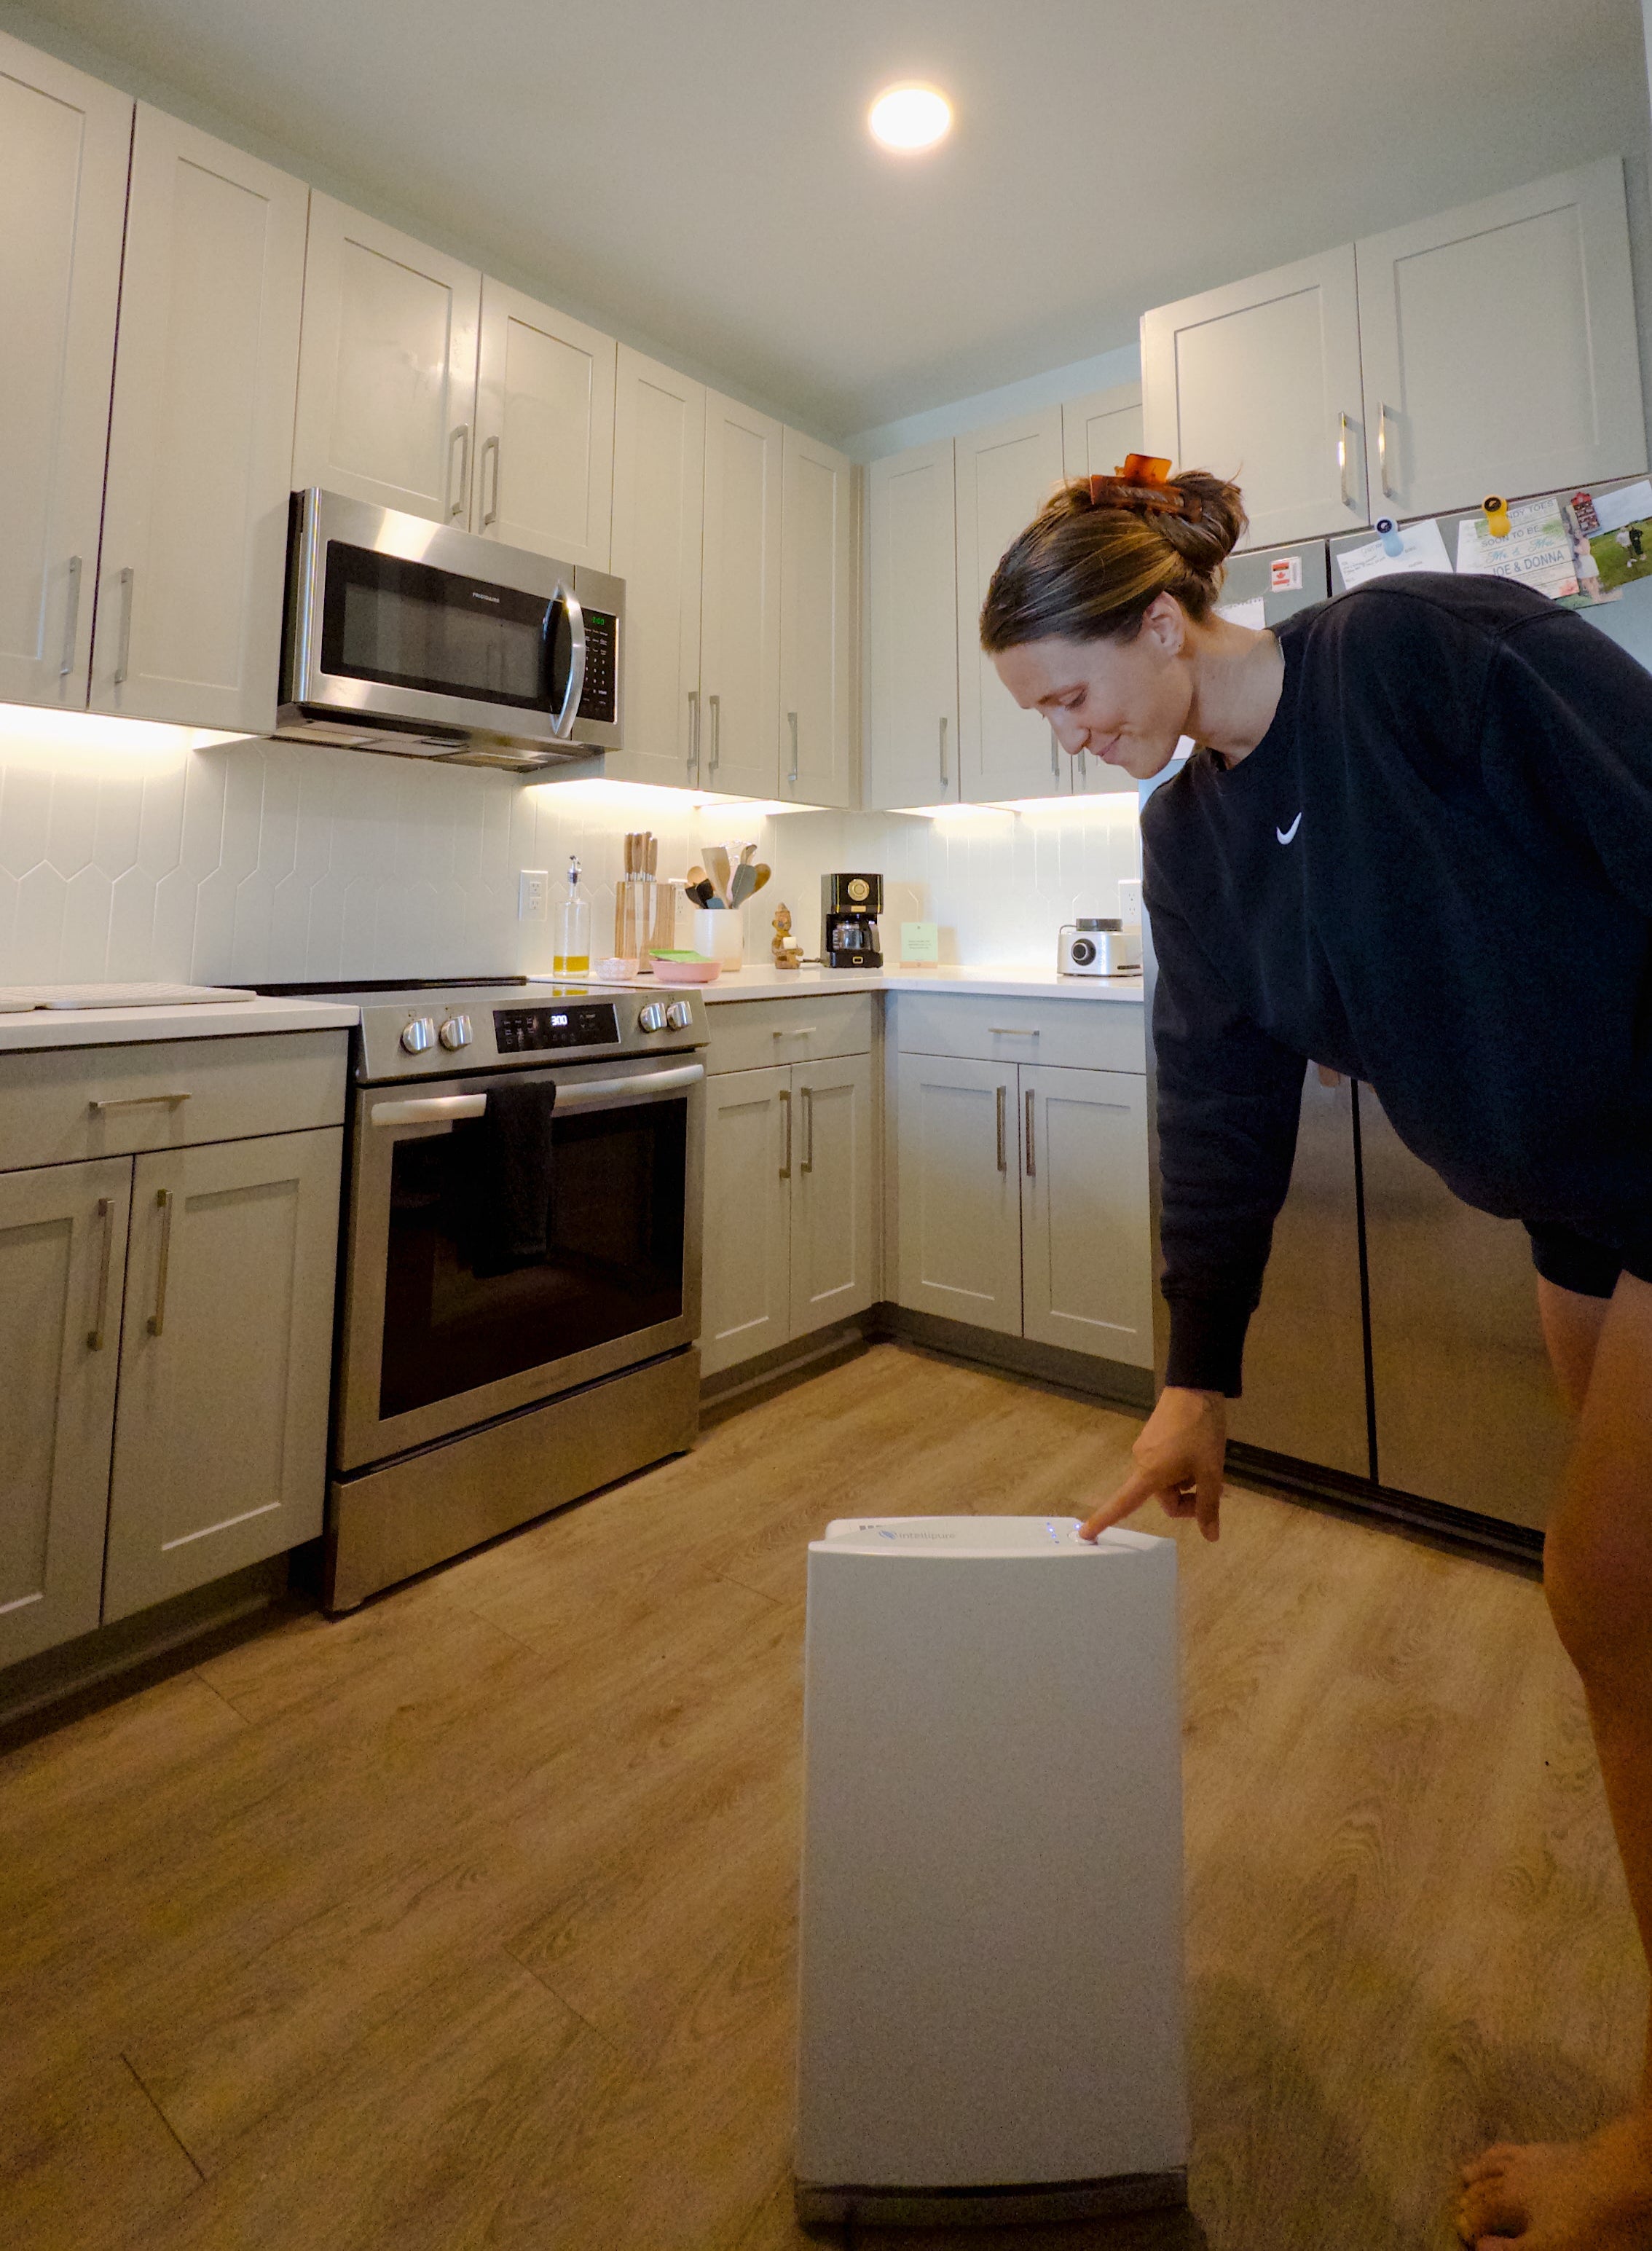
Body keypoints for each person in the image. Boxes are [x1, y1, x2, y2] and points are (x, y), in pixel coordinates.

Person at [980, 459, 1652, 2251]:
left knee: (1608, 1600)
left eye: (1069, 696)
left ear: (1159, 622)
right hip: (1577, 1213)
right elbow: (1217, 1098)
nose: (1064, 736)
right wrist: (1196, 1378)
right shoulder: (1188, 838)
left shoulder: (1429, 653)